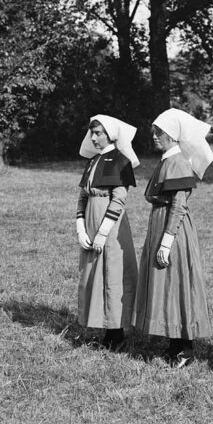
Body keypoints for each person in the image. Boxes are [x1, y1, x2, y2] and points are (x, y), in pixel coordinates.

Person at [132, 108, 213, 367]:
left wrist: (167, 241)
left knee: (176, 283)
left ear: (174, 135)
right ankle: (174, 343)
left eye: (161, 132)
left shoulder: (177, 161)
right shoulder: (168, 160)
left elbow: (178, 205)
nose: (155, 136)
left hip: (173, 228)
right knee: (166, 283)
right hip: (162, 222)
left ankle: (185, 349)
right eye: (154, 131)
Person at [76, 115, 139, 351]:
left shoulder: (119, 161)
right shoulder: (93, 161)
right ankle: (103, 325)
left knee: (112, 274)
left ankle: (116, 332)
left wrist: (103, 232)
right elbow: (83, 195)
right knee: (95, 274)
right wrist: (80, 226)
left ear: (110, 135)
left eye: (98, 133)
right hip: (92, 220)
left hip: (110, 226)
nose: (93, 137)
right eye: (92, 132)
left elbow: (119, 199)